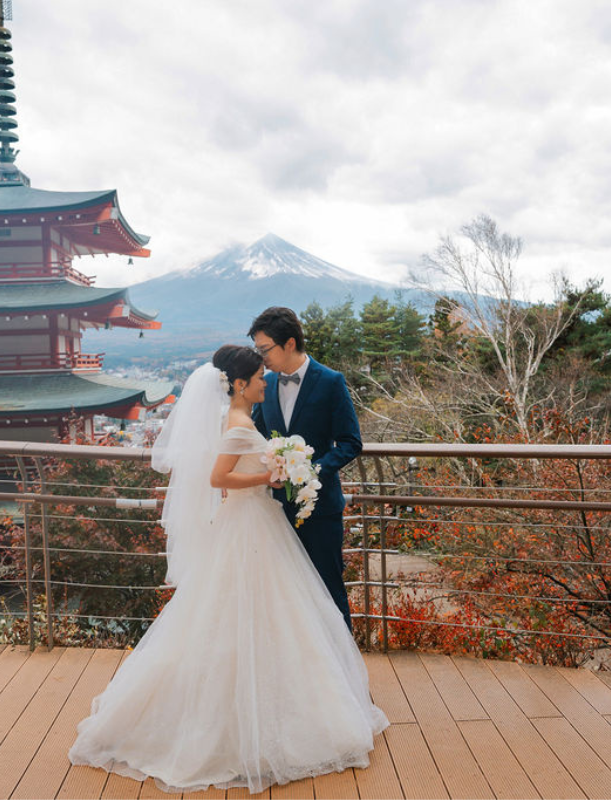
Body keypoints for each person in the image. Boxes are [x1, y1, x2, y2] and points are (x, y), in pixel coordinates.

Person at [68, 345, 387, 794]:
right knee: (258, 613)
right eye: (259, 377)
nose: (265, 382)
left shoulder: (242, 421)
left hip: (257, 523)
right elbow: (218, 478)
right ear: (240, 385)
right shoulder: (239, 426)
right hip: (250, 524)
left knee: (260, 615)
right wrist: (269, 476)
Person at [248, 307, 361, 630]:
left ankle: (346, 676)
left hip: (321, 509)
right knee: (286, 596)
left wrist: (314, 470)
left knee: (329, 590)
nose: (262, 357)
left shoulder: (330, 382)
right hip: (275, 511)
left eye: (265, 349)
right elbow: (256, 436)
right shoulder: (264, 385)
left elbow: (351, 442)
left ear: (290, 343)